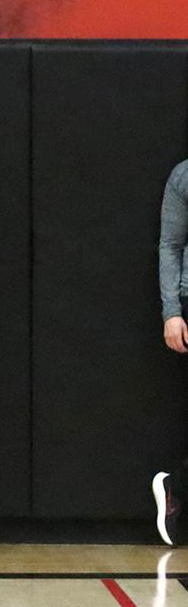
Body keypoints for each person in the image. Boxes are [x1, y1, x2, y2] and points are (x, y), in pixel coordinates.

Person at [152, 159, 188, 545]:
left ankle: (174, 486)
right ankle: (174, 491)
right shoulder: (184, 175)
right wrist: (172, 312)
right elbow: (170, 245)